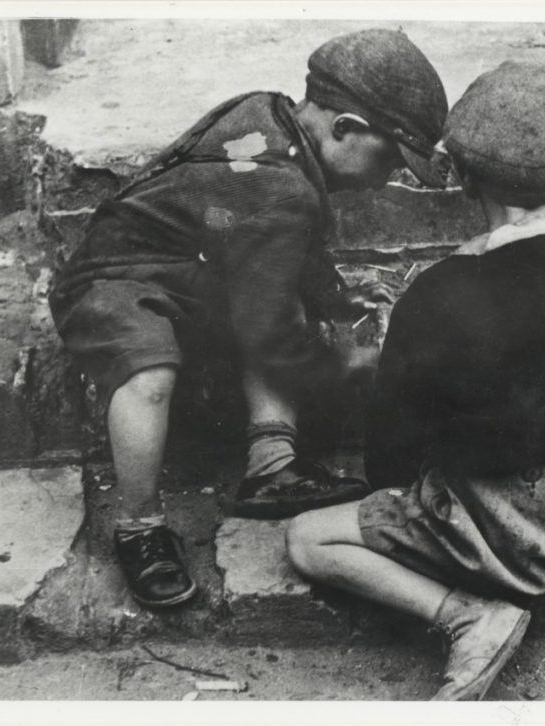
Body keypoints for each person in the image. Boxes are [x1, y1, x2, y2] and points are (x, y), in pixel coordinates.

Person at [286, 60, 545, 701]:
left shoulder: (435, 296)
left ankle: (468, 615)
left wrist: (400, 495)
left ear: (456, 177)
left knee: (306, 538)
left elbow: (392, 445)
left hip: (504, 536)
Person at [49, 29, 448, 609]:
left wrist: (333, 298)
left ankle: (271, 465)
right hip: (111, 283)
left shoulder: (268, 115)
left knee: (272, 296)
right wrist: (345, 363)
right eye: (388, 159)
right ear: (344, 129)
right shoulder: (282, 191)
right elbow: (274, 331)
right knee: (150, 375)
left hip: (185, 271)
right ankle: (139, 526)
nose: (388, 178)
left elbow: (277, 248)